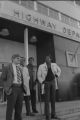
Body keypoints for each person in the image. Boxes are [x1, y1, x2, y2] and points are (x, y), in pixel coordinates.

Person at [1, 54, 25, 120]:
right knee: (10, 108)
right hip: (12, 88)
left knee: (19, 108)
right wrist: (6, 88)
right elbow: (2, 79)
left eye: (19, 59)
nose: (19, 60)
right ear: (13, 59)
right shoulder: (7, 67)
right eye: (17, 58)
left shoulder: (20, 67)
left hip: (20, 89)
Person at [37, 56, 61, 120]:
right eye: (47, 58)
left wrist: (57, 75)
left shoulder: (54, 64)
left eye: (49, 58)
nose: (48, 59)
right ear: (45, 60)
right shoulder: (41, 66)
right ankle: (47, 116)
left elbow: (59, 70)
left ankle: (53, 114)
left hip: (53, 82)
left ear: (50, 59)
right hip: (46, 83)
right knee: (47, 100)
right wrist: (42, 81)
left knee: (53, 99)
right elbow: (39, 76)